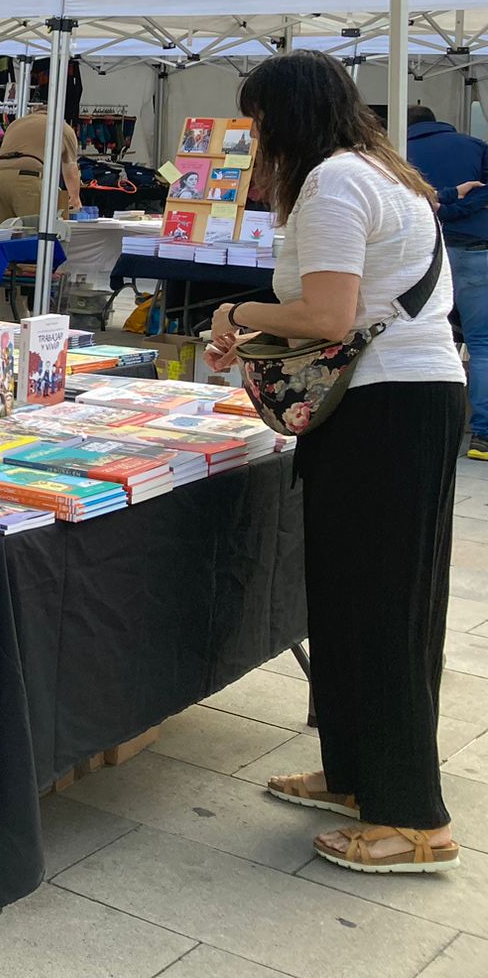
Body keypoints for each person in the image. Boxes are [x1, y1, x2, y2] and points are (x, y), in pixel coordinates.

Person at [205, 53, 461, 875]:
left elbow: (328, 313)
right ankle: (356, 776)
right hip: (401, 403)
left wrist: (233, 310)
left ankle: (413, 819)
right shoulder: (384, 172)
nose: (255, 139)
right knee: (356, 598)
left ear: (287, 118)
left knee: (379, 606)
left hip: (385, 410)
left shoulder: (334, 182)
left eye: (258, 120)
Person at [405, 103, 488, 458]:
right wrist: (457, 210)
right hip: (474, 251)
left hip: (423, 255)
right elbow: (484, 191)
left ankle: (419, 427)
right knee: (481, 343)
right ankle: (482, 437)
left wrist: (442, 213)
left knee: (415, 337)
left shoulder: (395, 153)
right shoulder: (475, 146)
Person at [0, 103, 82, 226]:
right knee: (33, 232)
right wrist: (74, 199)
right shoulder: (61, 126)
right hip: (27, 178)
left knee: (0, 235)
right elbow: (70, 167)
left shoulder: (15, 124)